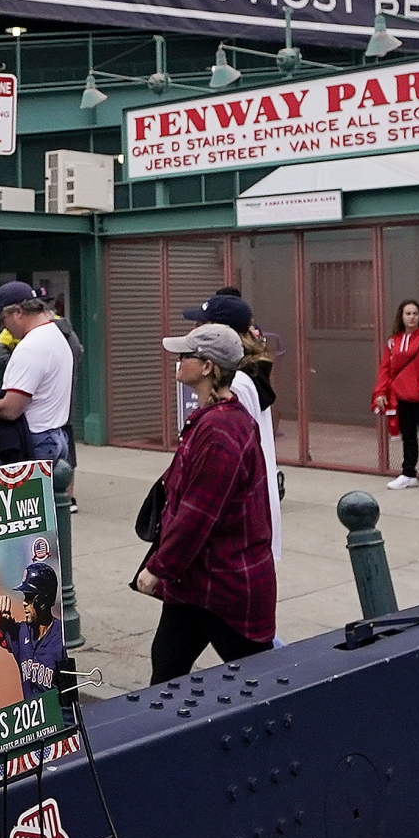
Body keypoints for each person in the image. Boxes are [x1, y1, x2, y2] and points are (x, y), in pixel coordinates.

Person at [138, 322, 274, 680]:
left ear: (208, 366)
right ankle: (165, 734)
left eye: (185, 356)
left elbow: (199, 515)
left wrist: (158, 567)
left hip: (224, 581)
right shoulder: (215, 419)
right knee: (166, 664)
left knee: (257, 675)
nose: (177, 362)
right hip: (197, 579)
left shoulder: (220, 431)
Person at [182, 290, 282, 561]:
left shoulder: (236, 383)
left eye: (202, 324)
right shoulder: (245, 374)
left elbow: (229, 458)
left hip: (239, 522)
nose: (194, 329)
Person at [0, 281, 76, 464]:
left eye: (3, 319)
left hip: (33, 440)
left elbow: (11, 409)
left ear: (18, 312)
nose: (3, 326)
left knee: (22, 494)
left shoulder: (31, 347)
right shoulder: (55, 334)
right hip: (55, 435)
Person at [375, 299, 419, 493]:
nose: (412, 317)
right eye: (408, 313)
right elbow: (385, 369)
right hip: (401, 398)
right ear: (402, 317)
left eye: (415, 313)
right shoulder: (393, 341)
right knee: (409, 437)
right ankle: (408, 474)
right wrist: (381, 392)